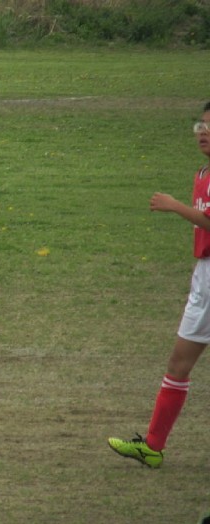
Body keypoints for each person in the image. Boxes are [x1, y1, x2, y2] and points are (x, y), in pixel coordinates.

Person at [108, 101, 210, 469]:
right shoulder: (203, 173)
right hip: (204, 277)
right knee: (179, 363)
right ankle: (152, 447)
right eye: (200, 125)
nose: (202, 132)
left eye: (209, 126)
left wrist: (175, 206)